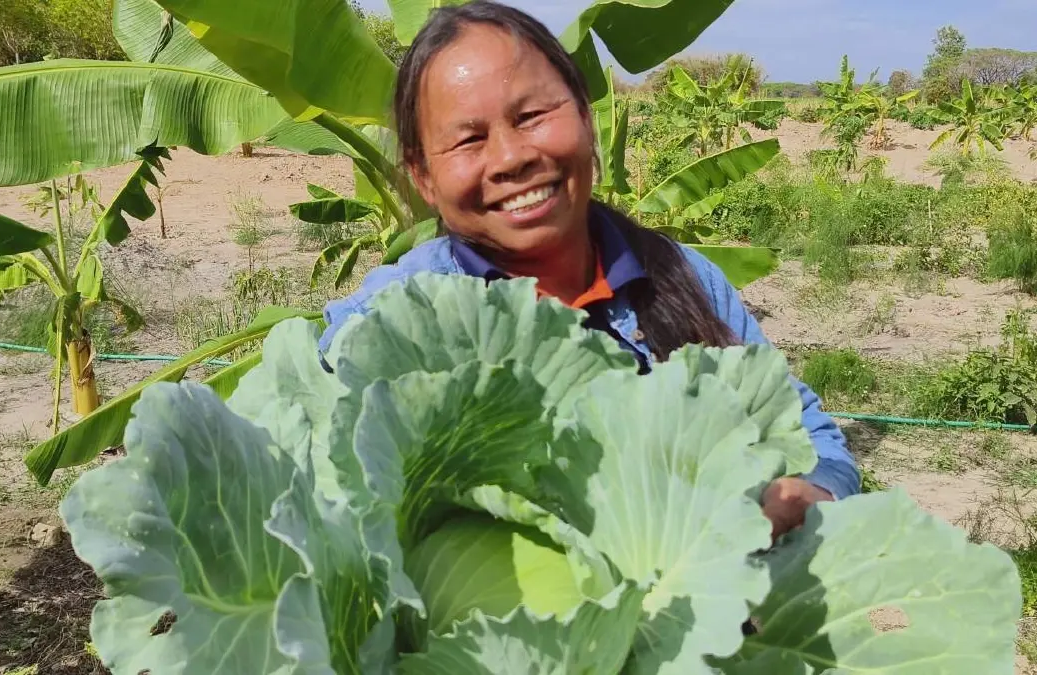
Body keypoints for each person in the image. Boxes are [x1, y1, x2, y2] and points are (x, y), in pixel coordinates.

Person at [317, 1, 860, 537]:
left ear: (584, 114)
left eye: (532, 116)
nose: (511, 158)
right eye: (469, 139)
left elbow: (806, 431)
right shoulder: (388, 329)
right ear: (423, 176)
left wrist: (809, 491)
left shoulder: (682, 276)